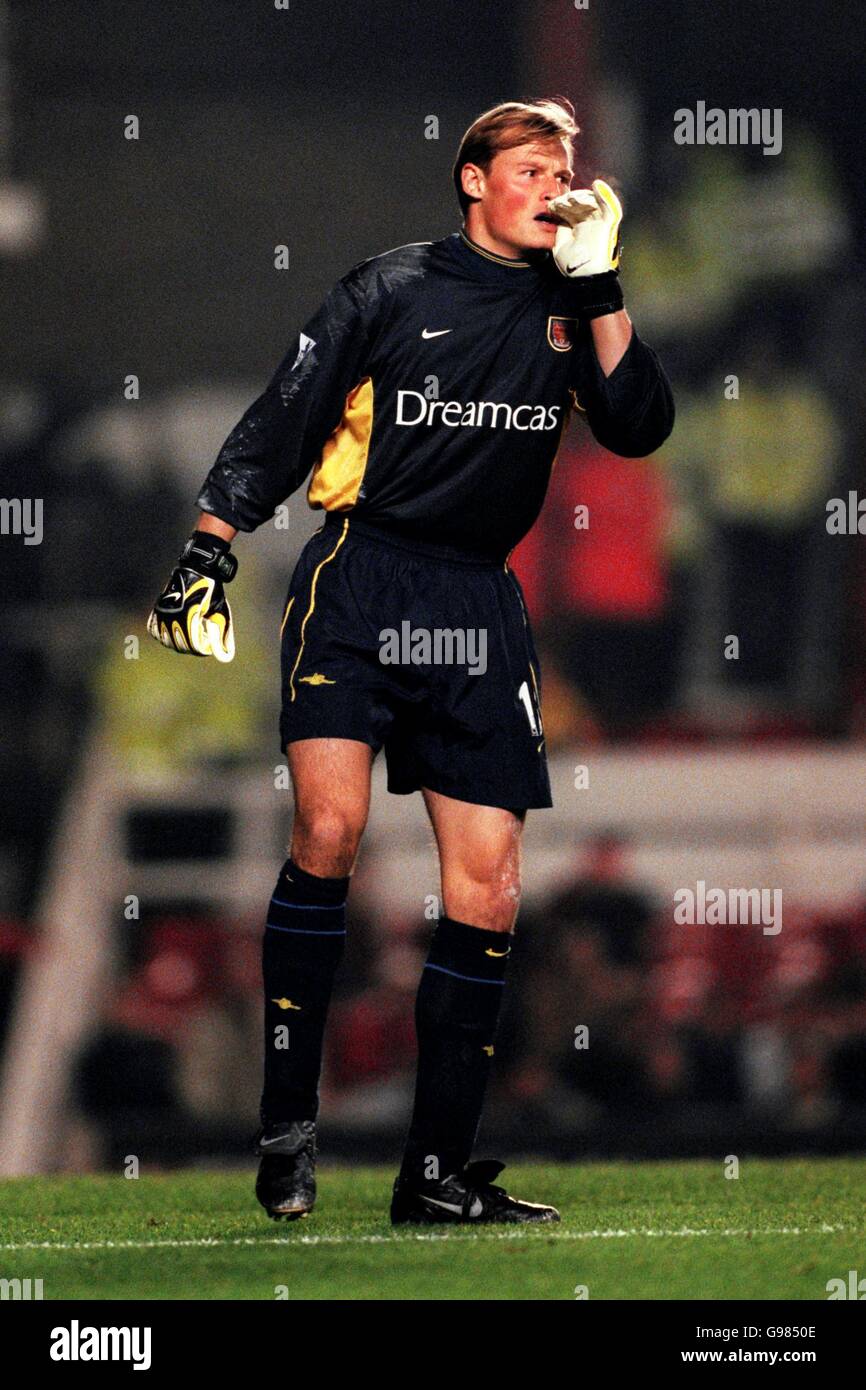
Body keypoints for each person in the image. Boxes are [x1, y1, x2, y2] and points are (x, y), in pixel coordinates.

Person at [147, 97, 675, 1224]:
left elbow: (634, 426)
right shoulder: (387, 289)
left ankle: (432, 1176)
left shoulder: (565, 301)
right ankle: (287, 1125)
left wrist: (601, 287)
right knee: (326, 833)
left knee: (485, 887)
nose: (553, 185)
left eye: (562, 169)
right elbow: (285, 416)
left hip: (479, 601)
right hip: (360, 576)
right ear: (473, 181)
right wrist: (209, 546)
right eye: (530, 167)